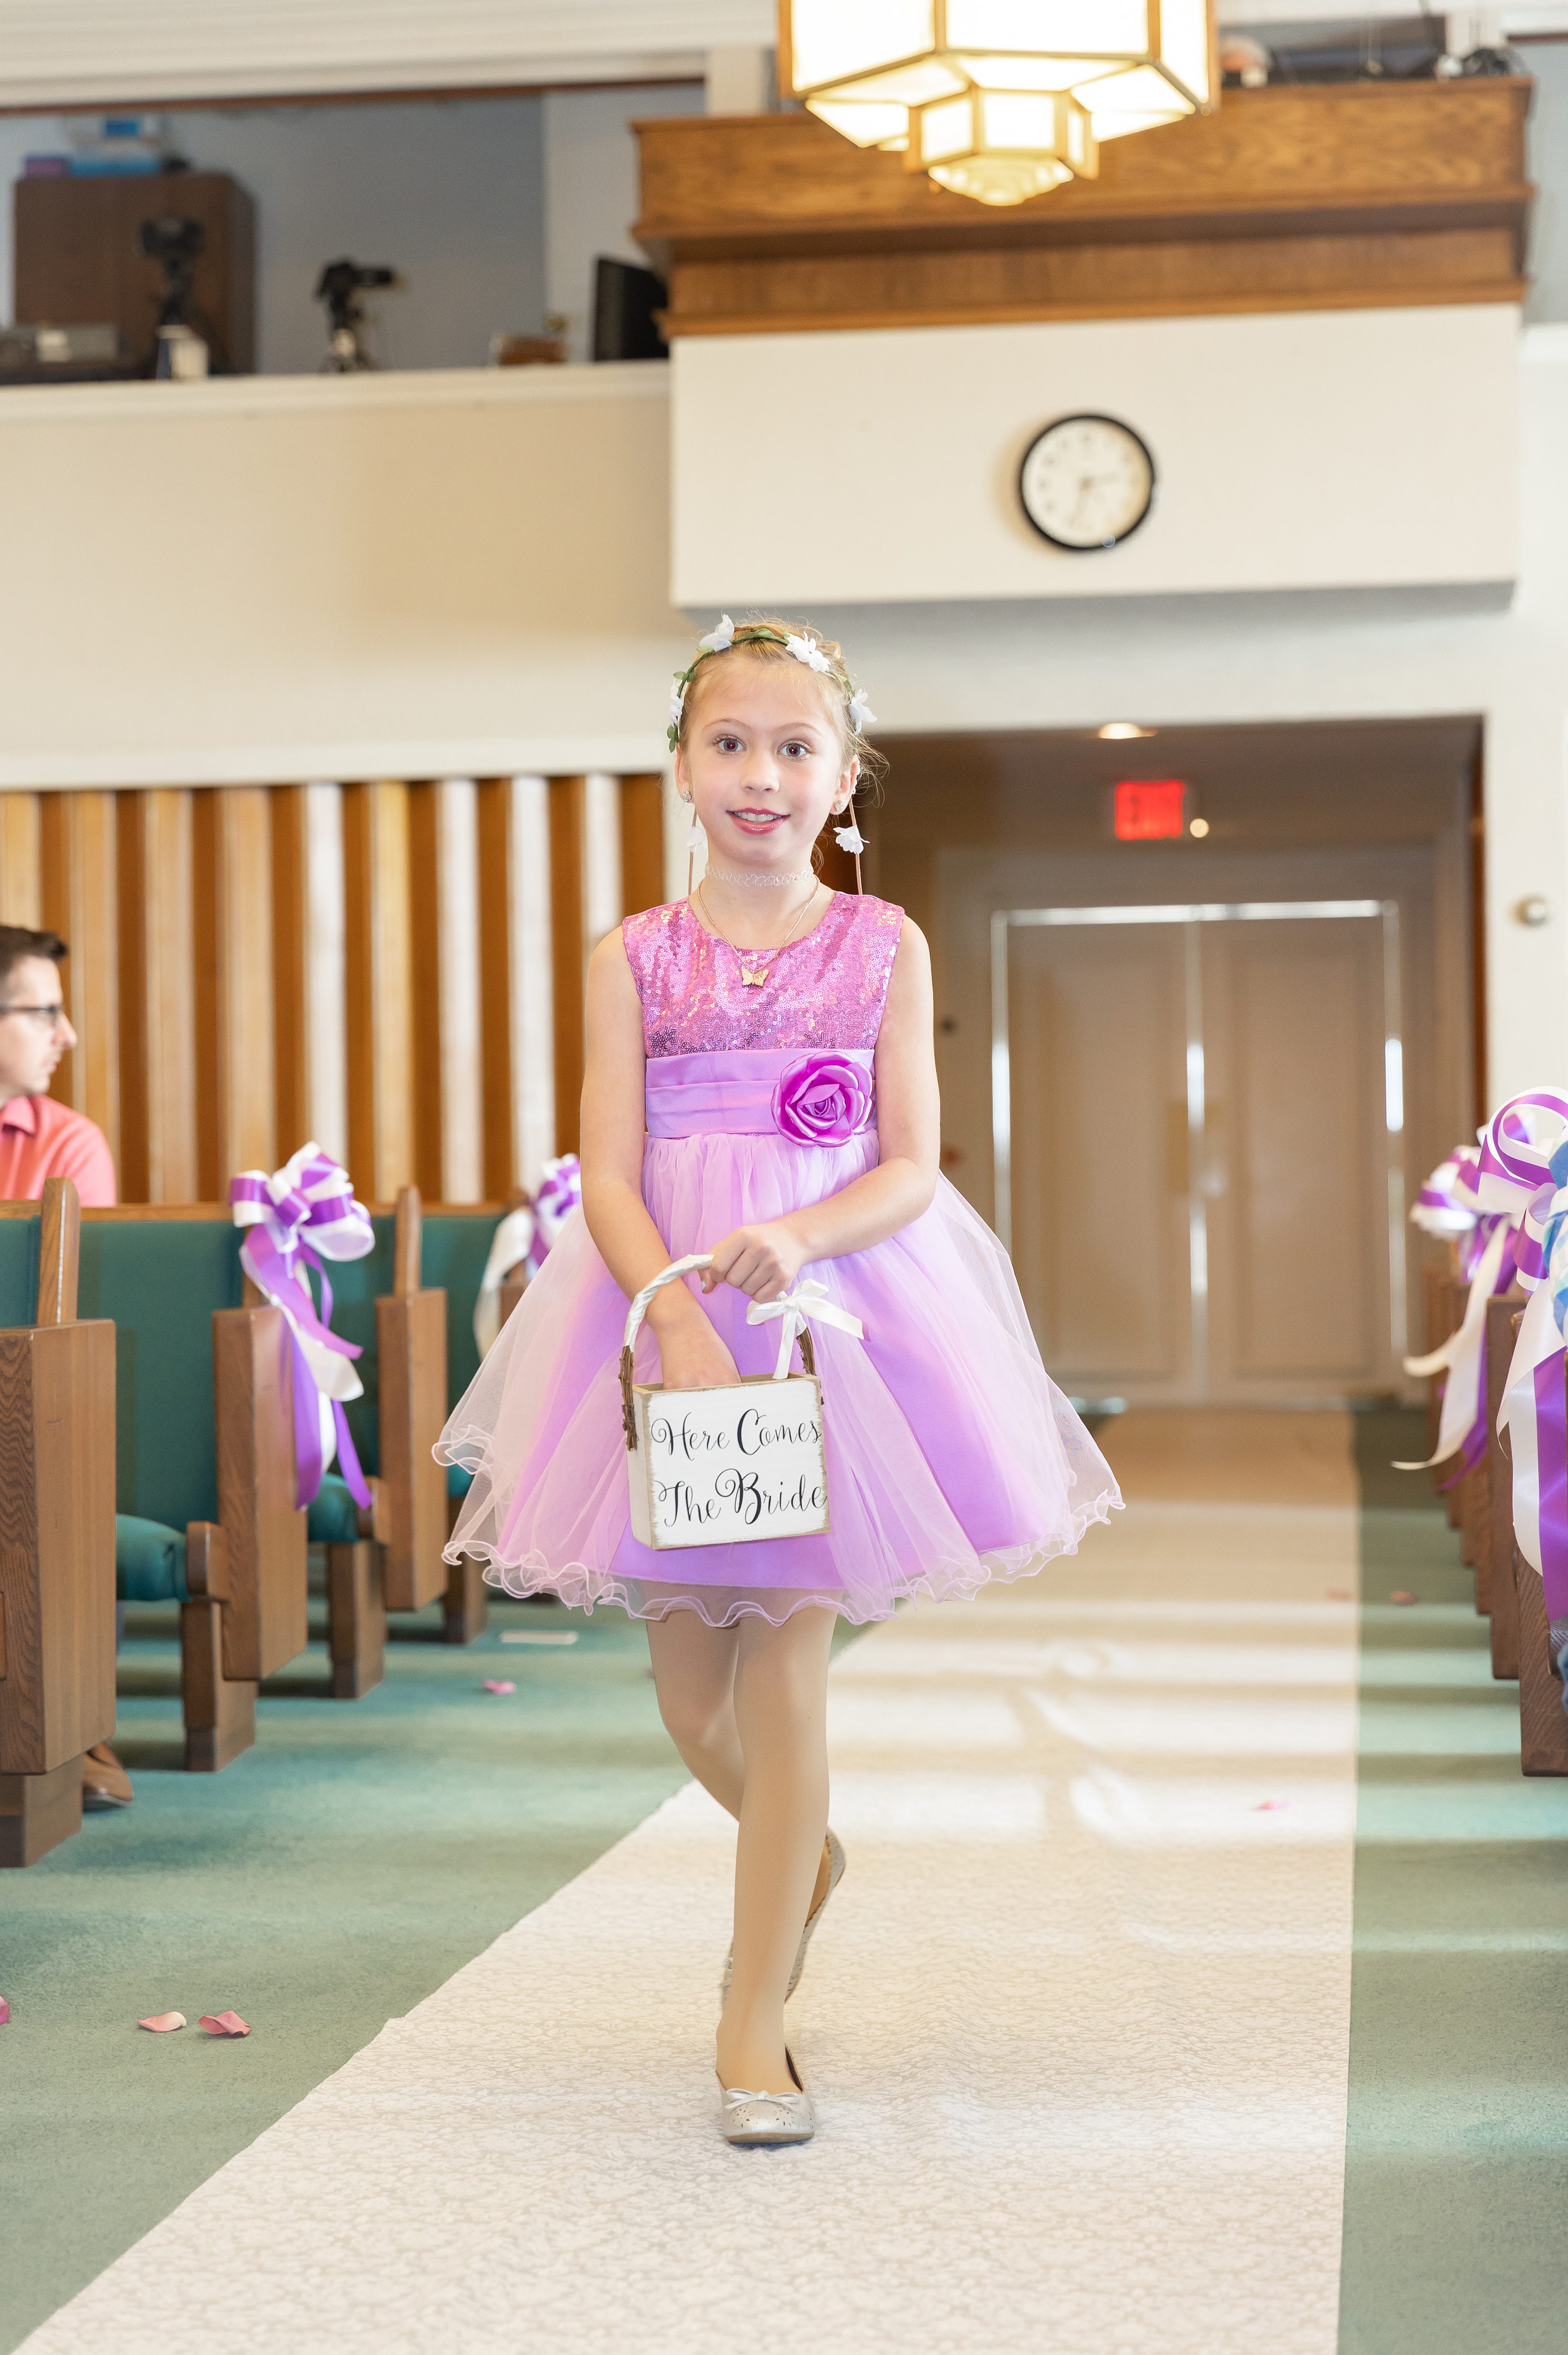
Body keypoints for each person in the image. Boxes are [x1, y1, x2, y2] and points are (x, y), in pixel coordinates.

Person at [439, 619, 1120, 2144]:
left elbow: (910, 1167)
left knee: (787, 1656)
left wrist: (794, 1238)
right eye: (731, 743)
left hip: (837, 1324)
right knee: (693, 1695)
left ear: (845, 773)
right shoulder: (635, 955)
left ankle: (754, 2017)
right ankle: (798, 1852)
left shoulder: (884, 944)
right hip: (664, 1319)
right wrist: (669, 1309)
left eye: (796, 745)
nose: (763, 773)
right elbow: (604, 1171)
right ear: (683, 767)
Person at [0, 922, 131, 1809]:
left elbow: (61, 1330)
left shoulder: (68, 1146)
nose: (67, 1034)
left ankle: (69, 1725)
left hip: (21, 1420)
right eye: (44, 1011)